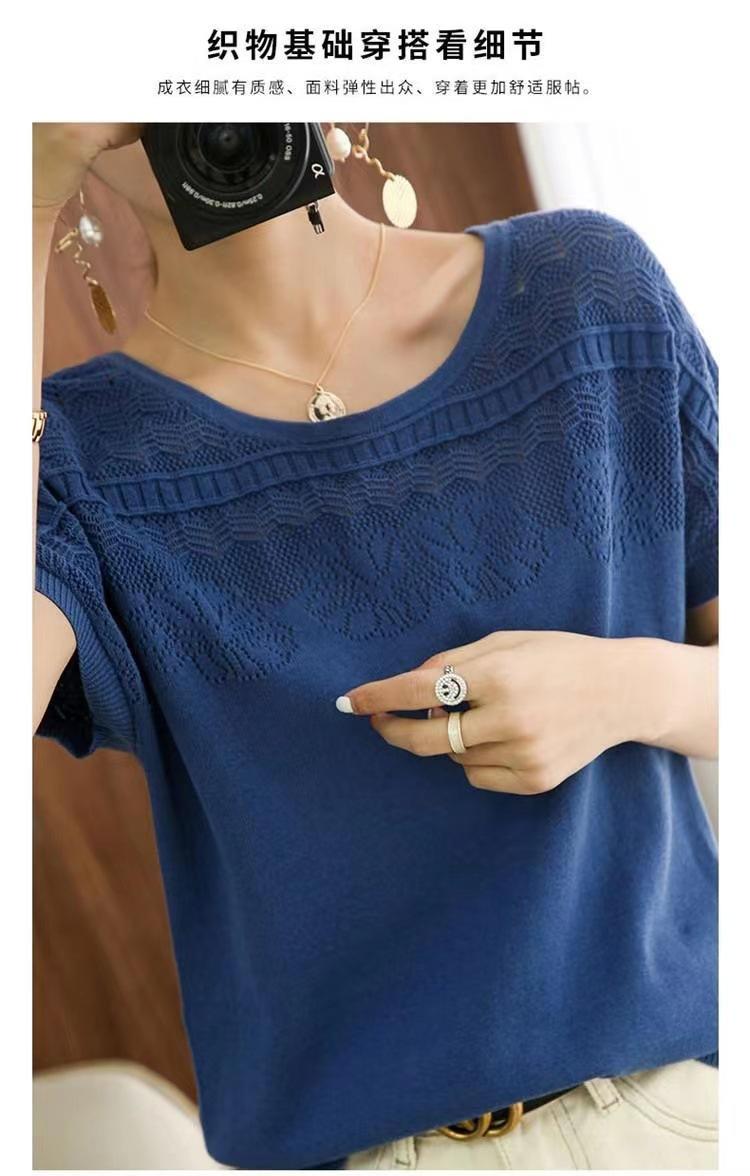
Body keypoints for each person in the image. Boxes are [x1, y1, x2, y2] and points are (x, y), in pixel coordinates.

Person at [32, 123, 718, 1171]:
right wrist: (30, 194)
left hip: (685, 1117)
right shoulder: (77, 461)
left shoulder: (584, 293)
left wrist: (630, 688)